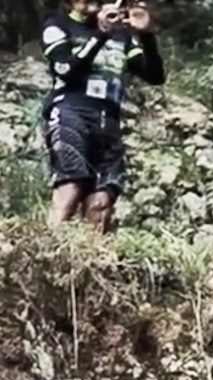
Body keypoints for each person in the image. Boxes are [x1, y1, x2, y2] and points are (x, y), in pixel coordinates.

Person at [40, 0, 165, 232]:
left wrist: (146, 35)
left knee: (102, 201)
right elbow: (66, 70)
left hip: (109, 121)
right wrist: (100, 34)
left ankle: (88, 262)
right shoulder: (57, 25)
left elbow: (155, 75)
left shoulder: (122, 36)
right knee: (72, 184)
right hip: (70, 112)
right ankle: (46, 253)